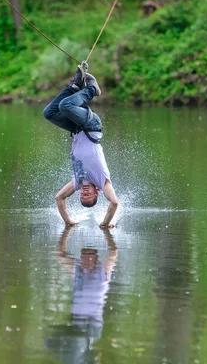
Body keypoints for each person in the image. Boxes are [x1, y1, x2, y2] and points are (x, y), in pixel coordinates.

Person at [43, 65, 119, 228]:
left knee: (49, 113)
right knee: (65, 106)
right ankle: (92, 89)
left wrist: (68, 221)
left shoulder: (77, 182)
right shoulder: (102, 182)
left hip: (77, 129)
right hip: (92, 125)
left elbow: (59, 198)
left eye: (82, 196)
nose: (84, 193)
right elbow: (114, 203)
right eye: (89, 195)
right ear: (96, 192)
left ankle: (76, 86)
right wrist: (106, 223)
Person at [44, 227, 118, 363]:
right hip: (90, 329)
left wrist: (107, 233)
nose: (86, 259)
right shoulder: (77, 268)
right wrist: (67, 231)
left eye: (90, 256)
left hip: (84, 325)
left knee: (57, 346)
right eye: (84, 255)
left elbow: (113, 253)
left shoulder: (104, 272)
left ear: (97, 259)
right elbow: (60, 253)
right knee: (58, 346)